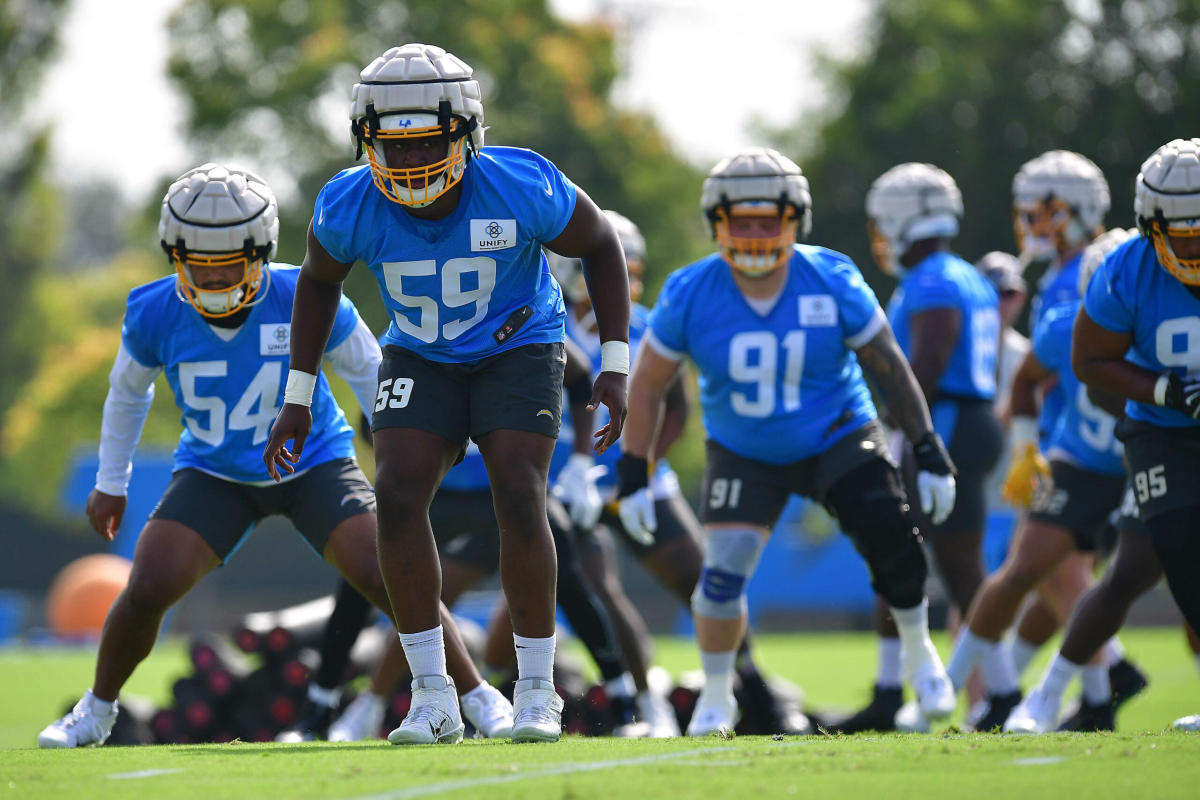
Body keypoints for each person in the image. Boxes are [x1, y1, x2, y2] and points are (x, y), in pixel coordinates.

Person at [37, 163, 508, 747]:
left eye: (227, 263)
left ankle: (477, 696)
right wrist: (112, 480)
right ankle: (98, 710)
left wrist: (398, 449)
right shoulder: (154, 310)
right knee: (148, 582)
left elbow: (367, 369)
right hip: (215, 471)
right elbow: (128, 391)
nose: (211, 279)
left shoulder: (302, 294)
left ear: (259, 253)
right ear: (174, 254)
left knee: (390, 572)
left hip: (315, 463)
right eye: (198, 263)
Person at [262, 44, 630, 744]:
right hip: (421, 350)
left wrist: (613, 364)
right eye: (391, 146)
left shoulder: (521, 183)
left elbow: (601, 243)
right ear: (365, 140)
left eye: (426, 141)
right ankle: (432, 695)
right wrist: (299, 393)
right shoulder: (347, 201)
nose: (408, 162)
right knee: (396, 494)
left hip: (518, 343)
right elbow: (316, 282)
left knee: (520, 492)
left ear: (464, 132)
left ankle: (536, 691)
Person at [616, 148, 957, 736]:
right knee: (720, 576)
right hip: (745, 451)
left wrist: (927, 448)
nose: (753, 235)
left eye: (766, 221)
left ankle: (921, 655)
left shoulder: (831, 275)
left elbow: (890, 368)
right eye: (740, 222)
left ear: (793, 220)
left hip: (837, 434)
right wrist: (633, 471)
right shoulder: (691, 290)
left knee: (892, 538)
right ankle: (718, 695)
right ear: (717, 224)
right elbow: (647, 386)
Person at [548, 211, 808, 737]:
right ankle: (643, 703)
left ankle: (752, 687)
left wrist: (632, 473)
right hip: (564, 488)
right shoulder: (546, 322)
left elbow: (679, 412)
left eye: (627, 266)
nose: (622, 277)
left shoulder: (643, 325)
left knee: (706, 580)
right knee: (596, 589)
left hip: (636, 482)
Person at [1031, 138, 1200, 731]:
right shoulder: (1124, 270)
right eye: (1186, 237)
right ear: (1153, 230)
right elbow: (1089, 363)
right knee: (1171, 548)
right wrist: (1163, 390)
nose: (1198, 248)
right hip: (1159, 432)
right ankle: (1049, 696)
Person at [947, 228, 1141, 731]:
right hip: (1079, 462)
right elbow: (1027, 380)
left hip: (1151, 457)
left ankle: (1073, 690)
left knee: (1156, 576)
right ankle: (950, 690)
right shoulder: (1065, 324)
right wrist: (1027, 453)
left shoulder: (1167, 320)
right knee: (1026, 570)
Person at [833, 163, 1002, 733]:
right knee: (958, 569)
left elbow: (925, 363)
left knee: (898, 550)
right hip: (968, 418)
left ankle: (894, 692)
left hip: (946, 421)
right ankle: (996, 689)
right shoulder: (965, 274)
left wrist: (896, 423)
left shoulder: (931, 280)